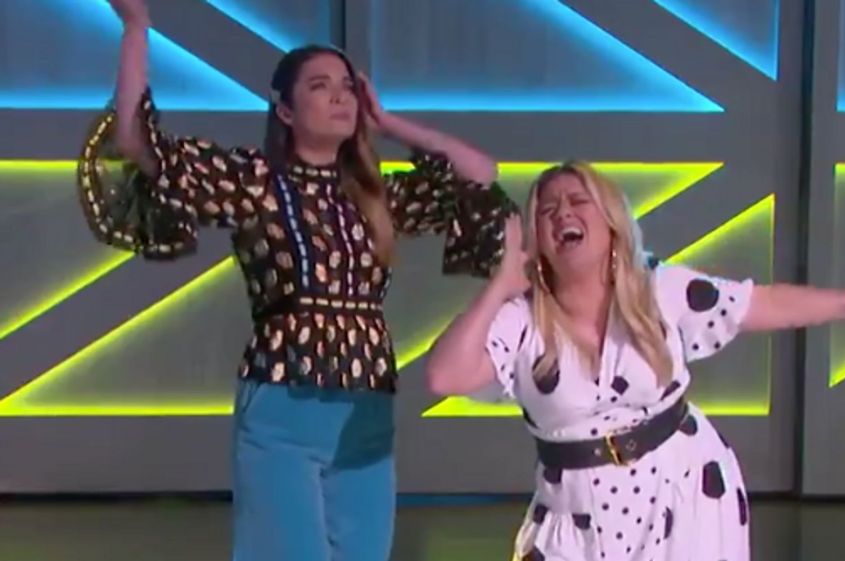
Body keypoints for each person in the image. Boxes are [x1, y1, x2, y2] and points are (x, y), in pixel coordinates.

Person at [76, 1, 517, 560]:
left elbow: (479, 173)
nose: (339, 97)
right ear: (285, 110)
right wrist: (137, 30)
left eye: (347, 88)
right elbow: (138, 144)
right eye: (319, 86)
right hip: (284, 404)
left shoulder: (375, 195)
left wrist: (388, 123)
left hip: (366, 411)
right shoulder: (256, 182)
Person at [425, 161, 845, 561]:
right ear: (536, 238)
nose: (563, 214)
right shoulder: (523, 319)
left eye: (578, 201)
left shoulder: (657, 290)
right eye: (547, 210)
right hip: (574, 515)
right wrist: (499, 286)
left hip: (682, 492)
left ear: (611, 223)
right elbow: (444, 375)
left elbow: (765, 304)